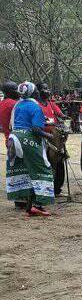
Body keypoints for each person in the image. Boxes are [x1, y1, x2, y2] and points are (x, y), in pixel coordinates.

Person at [7, 82, 55, 216]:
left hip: (14, 138)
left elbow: (12, 125)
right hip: (28, 139)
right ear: (33, 93)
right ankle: (38, 205)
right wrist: (49, 135)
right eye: (36, 92)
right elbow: (35, 129)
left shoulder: (18, 105)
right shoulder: (35, 107)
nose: (39, 93)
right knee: (43, 168)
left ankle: (28, 204)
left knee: (26, 171)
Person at [36, 82, 68, 196]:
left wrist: (64, 117)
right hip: (43, 138)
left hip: (56, 138)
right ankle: (47, 189)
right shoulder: (36, 105)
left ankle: (57, 188)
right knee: (47, 163)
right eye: (45, 89)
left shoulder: (51, 103)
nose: (48, 91)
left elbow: (60, 114)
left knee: (59, 162)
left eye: (48, 88)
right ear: (38, 91)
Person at [0, 81, 27, 209]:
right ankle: (23, 199)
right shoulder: (13, 104)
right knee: (23, 169)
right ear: (9, 92)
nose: (18, 91)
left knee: (15, 169)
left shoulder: (2, 103)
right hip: (18, 139)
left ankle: (18, 199)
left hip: (9, 140)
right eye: (15, 89)